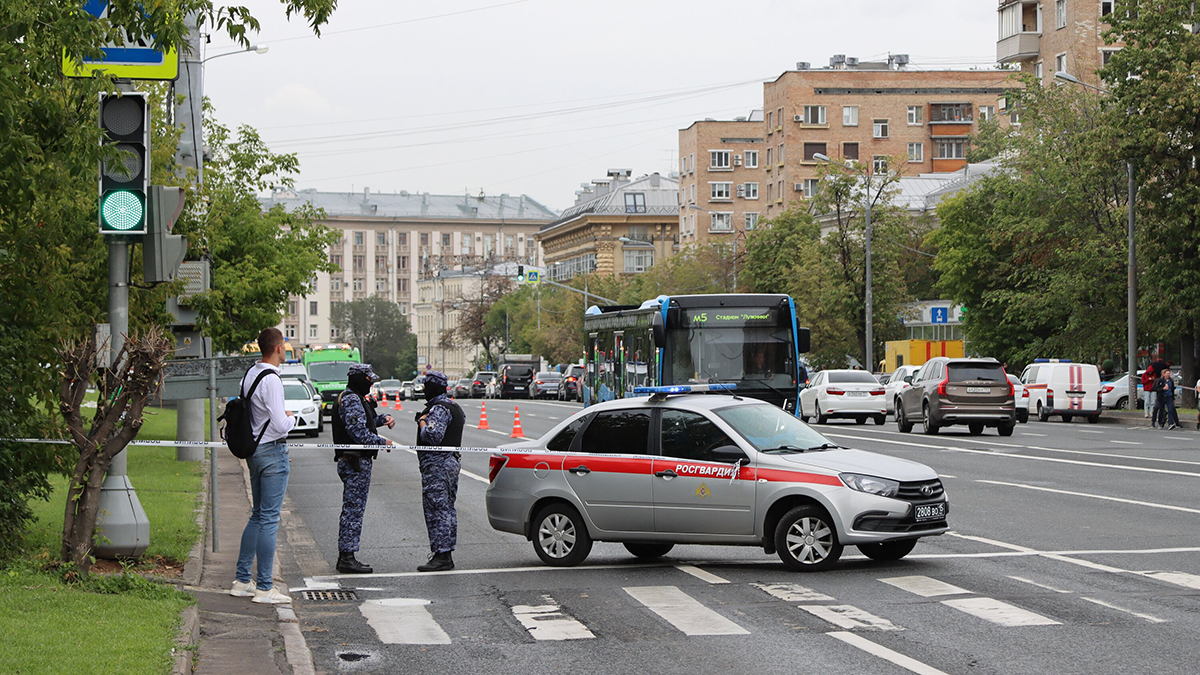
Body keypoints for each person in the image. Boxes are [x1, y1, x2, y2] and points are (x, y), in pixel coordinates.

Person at [230, 328, 296, 604]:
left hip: (254, 451)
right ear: (279, 347)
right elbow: (280, 424)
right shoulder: (273, 380)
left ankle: (243, 580)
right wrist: (291, 418)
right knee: (269, 518)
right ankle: (265, 587)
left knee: (257, 515)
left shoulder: (251, 373)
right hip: (272, 451)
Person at [331, 363, 395, 574]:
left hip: (356, 460)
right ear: (358, 379)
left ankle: (348, 555)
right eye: (369, 380)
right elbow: (358, 433)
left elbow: (364, 422)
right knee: (353, 510)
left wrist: (381, 420)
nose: (372, 384)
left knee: (354, 509)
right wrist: (381, 442)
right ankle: (347, 557)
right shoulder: (350, 399)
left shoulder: (356, 399)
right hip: (354, 461)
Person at [415, 371, 465, 572]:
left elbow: (433, 436)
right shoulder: (453, 406)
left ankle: (442, 555)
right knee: (447, 508)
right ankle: (445, 553)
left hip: (438, 465)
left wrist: (421, 422)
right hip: (449, 463)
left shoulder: (439, 408)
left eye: (426, 386)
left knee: (438, 509)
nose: (424, 390)